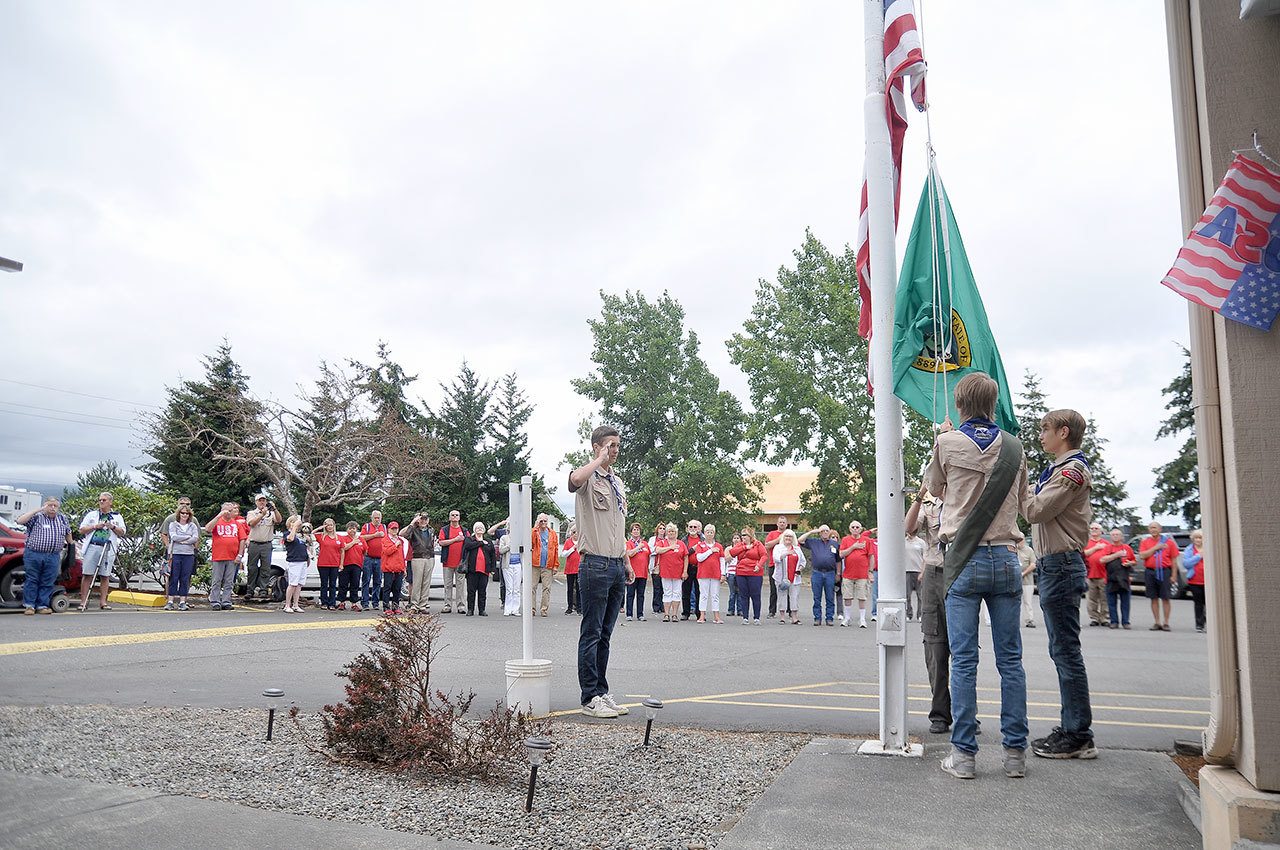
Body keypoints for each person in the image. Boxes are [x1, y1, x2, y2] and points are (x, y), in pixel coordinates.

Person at [925, 372, 1029, 780]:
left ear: (961, 403)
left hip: (963, 558)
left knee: (964, 660)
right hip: (1005, 556)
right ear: (993, 402)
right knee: (1011, 662)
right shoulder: (1015, 448)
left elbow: (934, 487)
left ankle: (965, 755)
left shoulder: (947, 442)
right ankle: (1015, 754)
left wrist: (944, 440)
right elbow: (1024, 502)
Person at [1023, 407, 1097, 761]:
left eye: (1045, 429)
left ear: (1063, 432)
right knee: (1062, 649)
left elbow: (1036, 510)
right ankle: (1072, 727)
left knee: (1066, 651)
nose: (1041, 435)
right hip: (1055, 564)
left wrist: (1016, 480)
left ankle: (1078, 733)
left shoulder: (1071, 471)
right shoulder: (1059, 469)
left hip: (1062, 564)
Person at [567, 424, 634, 719]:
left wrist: (627, 560)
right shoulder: (588, 477)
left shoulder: (616, 482)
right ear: (596, 447)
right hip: (594, 563)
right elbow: (574, 480)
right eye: (610, 446)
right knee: (591, 632)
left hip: (616, 564)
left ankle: (602, 692)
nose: (615, 451)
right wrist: (599, 459)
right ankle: (589, 696)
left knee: (605, 634)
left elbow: (617, 526)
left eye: (618, 446)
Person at [907, 488, 951, 733]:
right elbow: (909, 528)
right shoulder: (928, 502)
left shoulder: (964, 491)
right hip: (935, 572)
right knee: (934, 646)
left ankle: (967, 713)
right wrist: (918, 497)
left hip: (961, 570)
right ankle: (940, 714)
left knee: (964, 647)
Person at [16, 497, 72, 615]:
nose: (52, 508)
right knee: (32, 579)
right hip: (34, 554)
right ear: (44, 506)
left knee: (48, 580)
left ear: (58, 507)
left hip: (53, 555)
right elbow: (20, 521)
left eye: (55, 506)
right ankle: (29, 606)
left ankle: (42, 605)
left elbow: (68, 533)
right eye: (49, 505)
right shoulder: (36, 517)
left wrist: (72, 546)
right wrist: (38, 510)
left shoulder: (62, 519)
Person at [77, 492, 127, 612]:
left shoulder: (117, 516)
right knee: (87, 574)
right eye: (100, 500)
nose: (101, 502)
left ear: (110, 502)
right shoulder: (92, 515)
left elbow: (123, 532)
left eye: (104, 500)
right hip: (93, 546)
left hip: (108, 547)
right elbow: (82, 530)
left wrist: (113, 527)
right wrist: (95, 526)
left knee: (105, 575)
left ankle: (103, 602)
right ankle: (83, 601)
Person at [1138, 520, 1180, 632]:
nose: (1153, 530)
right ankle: (1157, 622)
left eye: (1155, 527)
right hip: (1150, 571)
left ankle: (1166, 622)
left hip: (1164, 571)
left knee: (1165, 598)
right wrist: (1155, 548)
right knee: (1153, 598)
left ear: (1160, 529)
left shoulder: (1169, 542)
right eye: (1151, 528)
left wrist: (1174, 575)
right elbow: (1142, 555)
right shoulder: (1145, 542)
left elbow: (1174, 560)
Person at [205, 502, 245, 611]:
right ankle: (215, 601)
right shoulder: (217, 522)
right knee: (217, 580)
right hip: (219, 556)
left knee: (229, 581)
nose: (230, 513)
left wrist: (240, 554)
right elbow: (208, 529)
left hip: (232, 557)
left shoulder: (237, 524)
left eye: (231, 510)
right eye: (228, 510)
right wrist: (219, 515)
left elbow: (242, 539)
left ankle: (226, 601)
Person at [797, 525, 839, 626]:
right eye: (822, 531)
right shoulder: (813, 542)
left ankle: (829, 618)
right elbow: (800, 540)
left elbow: (838, 560)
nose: (825, 532)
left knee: (830, 597)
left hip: (830, 573)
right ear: (819, 532)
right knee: (817, 597)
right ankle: (817, 618)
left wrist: (838, 573)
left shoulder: (834, 544)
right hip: (817, 573)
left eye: (827, 531)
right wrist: (812, 532)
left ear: (830, 532)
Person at [838, 520, 876, 629]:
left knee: (862, 597)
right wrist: (853, 547)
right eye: (853, 527)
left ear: (861, 529)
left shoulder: (867, 540)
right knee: (847, 596)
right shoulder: (845, 540)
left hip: (862, 574)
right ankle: (847, 618)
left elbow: (871, 556)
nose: (855, 529)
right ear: (850, 529)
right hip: (848, 574)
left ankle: (862, 619)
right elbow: (841, 554)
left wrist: (870, 572)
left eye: (857, 527)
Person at [244, 494, 281, 602]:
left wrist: (274, 509)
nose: (262, 503)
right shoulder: (252, 513)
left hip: (266, 543)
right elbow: (252, 523)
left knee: (265, 568)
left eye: (264, 501)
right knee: (252, 568)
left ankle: (263, 590)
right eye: (260, 501)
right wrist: (261, 515)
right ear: (256, 502)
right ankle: (250, 590)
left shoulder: (271, 514)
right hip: (254, 543)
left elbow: (279, 520)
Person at [164, 505, 200, 611]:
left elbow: (195, 538)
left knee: (185, 578)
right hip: (175, 553)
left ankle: (183, 601)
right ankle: (170, 601)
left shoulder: (192, 525)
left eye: (187, 513)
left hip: (188, 555)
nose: (184, 515)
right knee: (174, 577)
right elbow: (173, 537)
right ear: (178, 514)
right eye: (182, 513)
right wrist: (187, 537)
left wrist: (183, 540)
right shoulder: (173, 524)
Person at [158, 496, 196, 593]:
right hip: (174, 552)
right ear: (177, 505)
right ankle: (169, 598)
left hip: (189, 553)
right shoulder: (170, 519)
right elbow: (164, 533)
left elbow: (197, 536)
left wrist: (195, 548)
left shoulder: (193, 520)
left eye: (187, 504)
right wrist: (168, 546)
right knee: (171, 575)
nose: (185, 506)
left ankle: (183, 599)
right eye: (182, 504)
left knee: (186, 577)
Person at [728, 527, 766, 625]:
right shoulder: (740, 545)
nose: (743, 537)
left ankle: (756, 617)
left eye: (745, 535)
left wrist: (759, 565)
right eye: (742, 535)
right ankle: (745, 617)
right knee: (743, 595)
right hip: (741, 573)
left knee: (755, 595)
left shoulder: (758, 544)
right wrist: (745, 547)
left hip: (755, 572)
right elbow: (732, 553)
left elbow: (764, 555)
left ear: (750, 536)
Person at [1101, 528, 1136, 629]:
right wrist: (1117, 555)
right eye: (1113, 535)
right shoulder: (1107, 548)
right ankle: (1114, 621)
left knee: (1125, 602)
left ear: (1121, 537)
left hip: (1124, 579)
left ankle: (1125, 622)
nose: (1115, 536)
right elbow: (1102, 559)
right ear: (1110, 537)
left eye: (1117, 535)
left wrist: (1130, 563)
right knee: (1111, 602)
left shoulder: (1127, 548)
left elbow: (1134, 561)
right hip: (1111, 578)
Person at [771, 529, 805, 625]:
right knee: (782, 595)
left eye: (790, 536)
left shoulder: (797, 549)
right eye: (786, 536)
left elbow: (803, 561)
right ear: (783, 537)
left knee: (794, 596)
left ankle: (794, 617)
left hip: (794, 577)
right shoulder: (778, 547)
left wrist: (800, 569)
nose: (788, 538)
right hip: (781, 577)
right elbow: (776, 559)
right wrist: (786, 553)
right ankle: (782, 617)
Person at [461, 521, 495, 616]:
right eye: (477, 527)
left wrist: (492, 568)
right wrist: (480, 543)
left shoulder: (488, 541)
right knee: (471, 591)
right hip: (472, 570)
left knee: (482, 591)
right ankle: (470, 609)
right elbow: (468, 546)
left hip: (484, 570)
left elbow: (492, 555)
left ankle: (482, 610)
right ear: (474, 530)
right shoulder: (470, 539)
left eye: (481, 527)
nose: (479, 529)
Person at [655, 523, 686, 623]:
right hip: (666, 572)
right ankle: (666, 614)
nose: (671, 533)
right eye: (669, 531)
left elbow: (686, 557)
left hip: (678, 572)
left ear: (676, 532)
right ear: (666, 533)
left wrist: (685, 571)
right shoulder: (662, 542)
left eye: (673, 531)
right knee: (667, 592)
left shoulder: (681, 543)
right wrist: (670, 547)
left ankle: (675, 614)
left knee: (677, 593)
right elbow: (658, 550)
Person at [694, 524, 725, 624]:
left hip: (715, 574)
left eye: (711, 532)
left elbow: (722, 561)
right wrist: (710, 551)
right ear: (704, 533)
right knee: (703, 595)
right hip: (703, 574)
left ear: (714, 533)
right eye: (707, 532)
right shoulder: (700, 545)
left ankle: (716, 616)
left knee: (715, 595)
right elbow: (699, 558)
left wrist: (723, 574)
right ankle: (702, 616)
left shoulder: (719, 546)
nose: (709, 534)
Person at [405, 513, 436, 613]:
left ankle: (423, 605)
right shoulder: (414, 529)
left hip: (430, 558)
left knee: (426, 583)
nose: (423, 521)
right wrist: (413, 522)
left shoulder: (431, 530)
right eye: (421, 519)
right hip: (417, 557)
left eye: (425, 519)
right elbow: (406, 536)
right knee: (417, 582)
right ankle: (414, 605)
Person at [439, 510, 469, 614]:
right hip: (447, 561)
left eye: (456, 515)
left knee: (460, 585)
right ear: (449, 518)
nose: (454, 517)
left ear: (459, 518)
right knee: (448, 585)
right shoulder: (445, 530)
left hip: (461, 563)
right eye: (452, 515)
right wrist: (455, 539)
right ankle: (447, 605)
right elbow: (441, 542)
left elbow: (469, 543)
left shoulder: (464, 530)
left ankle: (461, 606)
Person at [360, 510, 388, 611]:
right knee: (366, 580)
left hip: (380, 558)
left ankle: (375, 602)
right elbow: (361, 538)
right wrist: (374, 535)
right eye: (375, 518)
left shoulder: (384, 527)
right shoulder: (366, 527)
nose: (377, 520)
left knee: (378, 581)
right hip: (368, 558)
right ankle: (365, 602)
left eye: (379, 518)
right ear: (371, 518)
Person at [1082, 523, 1109, 627]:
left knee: (1104, 598)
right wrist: (1096, 548)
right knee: (1091, 599)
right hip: (1089, 574)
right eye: (1092, 528)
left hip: (1103, 575)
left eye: (1096, 528)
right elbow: (1084, 554)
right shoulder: (1086, 543)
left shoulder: (1106, 543)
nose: (1094, 530)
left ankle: (1104, 618)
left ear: (1101, 531)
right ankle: (1094, 618)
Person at [380, 521, 409, 614]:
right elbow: (387, 552)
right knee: (387, 588)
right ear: (388, 529)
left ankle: (395, 606)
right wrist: (395, 545)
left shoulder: (400, 540)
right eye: (392, 529)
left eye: (396, 529)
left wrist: (404, 568)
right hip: (389, 568)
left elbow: (401, 555)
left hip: (398, 568)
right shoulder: (385, 540)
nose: (394, 530)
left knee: (397, 589)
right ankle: (386, 607)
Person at [316, 518, 344, 610]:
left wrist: (341, 564)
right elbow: (311, 533)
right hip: (323, 563)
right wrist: (321, 527)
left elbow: (342, 551)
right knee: (324, 584)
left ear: (334, 526)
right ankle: (324, 602)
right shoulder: (322, 536)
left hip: (334, 563)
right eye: (327, 525)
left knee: (333, 584)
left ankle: (332, 602)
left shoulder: (339, 537)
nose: (329, 527)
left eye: (331, 525)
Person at [624, 523, 650, 622]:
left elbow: (648, 555)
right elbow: (629, 554)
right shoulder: (629, 543)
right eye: (634, 529)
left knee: (641, 594)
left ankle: (640, 614)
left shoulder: (645, 543)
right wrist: (638, 547)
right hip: (632, 572)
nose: (636, 531)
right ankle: (629, 614)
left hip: (642, 572)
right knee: (630, 593)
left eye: (638, 529)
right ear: (631, 532)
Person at [763, 516, 788, 618]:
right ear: (777, 524)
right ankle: (772, 611)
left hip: (787, 565)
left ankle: (790, 611)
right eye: (780, 522)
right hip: (774, 564)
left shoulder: (789, 534)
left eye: (784, 522)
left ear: (786, 524)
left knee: (788, 588)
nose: (782, 524)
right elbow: (767, 545)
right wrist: (779, 538)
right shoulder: (772, 534)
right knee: (774, 589)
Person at [1183, 529, 1206, 633]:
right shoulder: (1189, 549)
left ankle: (1206, 620)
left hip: (1207, 581)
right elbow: (1186, 563)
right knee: (1198, 603)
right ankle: (1199, 624)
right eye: (1196, 538)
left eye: (1200, 538)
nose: (1198, 540)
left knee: (1208, 603)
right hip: (1194, 581)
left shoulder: (1208, 548)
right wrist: (1198, 556)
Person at [339, 522, 364, 611]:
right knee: (343, 584)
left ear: (356, 529)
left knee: (355, 584)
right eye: (350, 528)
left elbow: (365, 550)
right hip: (346, 564)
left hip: (357, 565)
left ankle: (354, 603)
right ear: (347, 530)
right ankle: (341, 602)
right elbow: (344, 548)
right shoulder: (343, 538)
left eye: (353, 528)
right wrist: (353, 542)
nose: (352, 530)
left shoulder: (361, 539)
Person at [680, 519, 703, 620]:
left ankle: (699, 613)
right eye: (690, 527)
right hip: (687, 567)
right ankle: (686, 612)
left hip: (700, 567)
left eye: (695, 527)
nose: (692, 529)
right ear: (687, 528)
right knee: (686, 591)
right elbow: (681, 554)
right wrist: (692, 549)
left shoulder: (703, 539)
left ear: (699, 529)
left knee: (700, 592)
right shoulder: (683, 540)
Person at [499, 524, 523, 617]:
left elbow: (523, 550)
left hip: (518, 564)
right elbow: (501, 550)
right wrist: (509, 546)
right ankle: (507, 608)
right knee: (509, 588)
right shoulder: (504, 538)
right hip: (507, 565)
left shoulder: (520, 538)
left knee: (516, 588)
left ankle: (515, 609)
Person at [904, 528, 925, 621]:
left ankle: (920, 615)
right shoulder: (903, 542)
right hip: (907, 570)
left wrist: (922, 572)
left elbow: (925, 558)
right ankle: (909, 614)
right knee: (907, 595)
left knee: (920, 595)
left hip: (918, 571)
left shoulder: (921, 542)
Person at [561, 525, 581, 615]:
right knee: (570, 588)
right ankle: (569, 607)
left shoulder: (581, 542)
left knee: (579, 588)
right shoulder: (568, 542)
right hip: (570, 568)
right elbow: (564, 554)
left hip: (579, 569)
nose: (575, 534)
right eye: (573, 532)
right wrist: (573, 548)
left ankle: (579, 607)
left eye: (577, 532)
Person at [1017, 538, 1036, 628]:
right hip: (1015, 581)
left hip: (1027, 581)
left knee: (1028, 602)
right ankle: (1013, 621)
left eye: (1019, 541)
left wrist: (1023, 573)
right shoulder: (1014, 550)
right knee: (1014, 602)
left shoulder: (1029, 550)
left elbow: (1033, 564)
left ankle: (1029, 620)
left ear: (1023, 540)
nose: (1018, 543)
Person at [648, 522, 665, 615]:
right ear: (657, 529)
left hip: (664, 565)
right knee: (657, 587)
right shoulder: (652, 539)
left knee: (664, 587)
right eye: (660, 528)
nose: (662, 530)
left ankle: (663, 606)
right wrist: (658, 549)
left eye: (663, 528)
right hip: (655, 565)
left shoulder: (666, 540)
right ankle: (656, 606)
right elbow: (650, 550)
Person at [724, 532, 741, 617]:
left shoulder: (743, 548)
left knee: (740, 592)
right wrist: (734, 552)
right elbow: (726, 559)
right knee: (732, 592)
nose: (736, 540)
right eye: (735, 538)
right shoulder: (728, 548)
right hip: (731, 573)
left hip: (740, 572)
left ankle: (740, 610)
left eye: (738, 538)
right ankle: (731, 609)